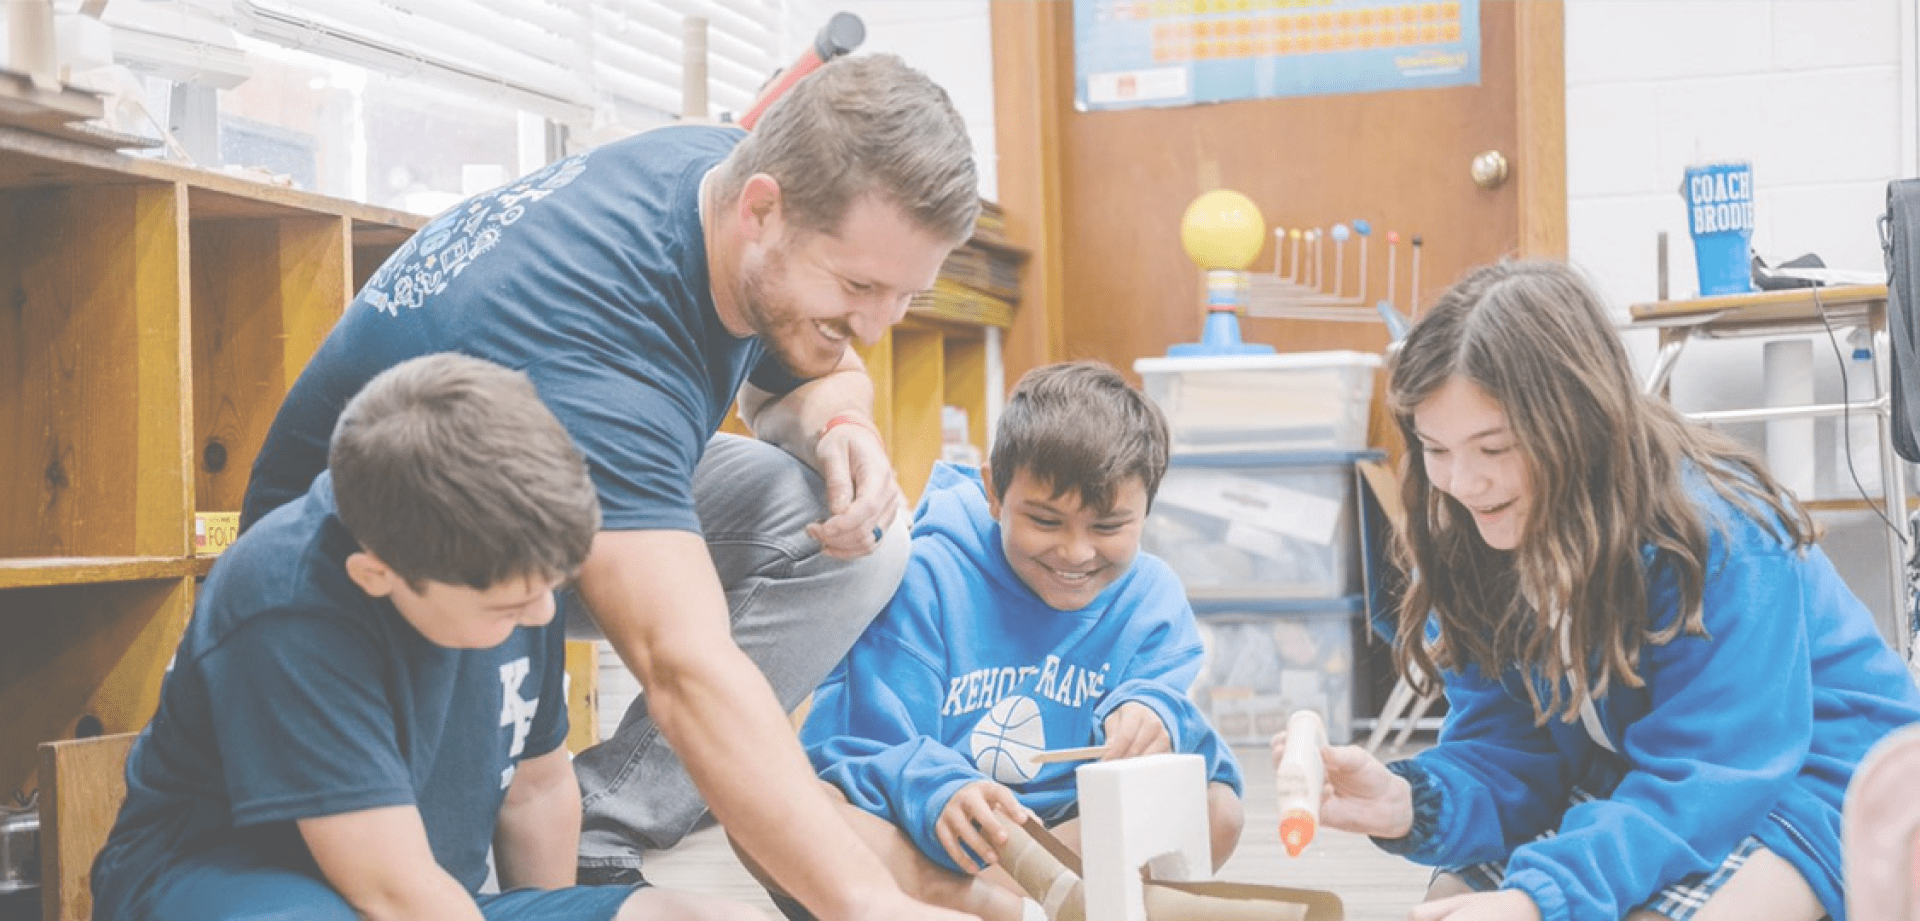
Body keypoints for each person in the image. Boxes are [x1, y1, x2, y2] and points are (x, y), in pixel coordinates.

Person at [236, 53, 981, 921]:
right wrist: (864, 902)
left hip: (525, 486)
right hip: (360, 588)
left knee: (848, 526)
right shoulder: (602, 350)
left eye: (904, 296)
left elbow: (810, 370)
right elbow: (683, 665)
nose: (876, 330)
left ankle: (604, 830)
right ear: (762, 210)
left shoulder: (719, 172)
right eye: (859, 287)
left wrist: (843, 422)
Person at [1272, 260, 1920, 921]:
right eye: (1437, 448)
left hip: (1815, 779)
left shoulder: (1718, 535)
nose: (1463, 482)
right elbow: (1512, 752)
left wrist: (1538, 897)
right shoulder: (1476, 530)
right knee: (1453, 905)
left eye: (1494, 448)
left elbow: (1713, 776)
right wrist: (1408, 800)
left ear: (1578, 423)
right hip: (1639, 775)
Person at [91, 353, 767, 921]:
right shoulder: (287, 604)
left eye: (550, 589)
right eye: (511, 603)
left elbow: (536, 789)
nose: (539, 617)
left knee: (700, 916)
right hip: (244, 887)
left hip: (429, 890)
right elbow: (391, 891)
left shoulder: (513, 550)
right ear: (377, 572)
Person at [791, 361, 1245, 921]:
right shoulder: (924, 577)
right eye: (1046, 521)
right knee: (801, 811)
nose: (1076, 553)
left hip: (1066, 842)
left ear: (1148, 507)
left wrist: (1161, 715)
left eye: (1108, 527)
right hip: (932, 840)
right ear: (992, 491)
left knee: (1216, 807)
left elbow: (1205, 761)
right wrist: (939, 790)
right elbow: (852, 750)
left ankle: (1004, 907)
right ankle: (1022, 908)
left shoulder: (1152, 598)